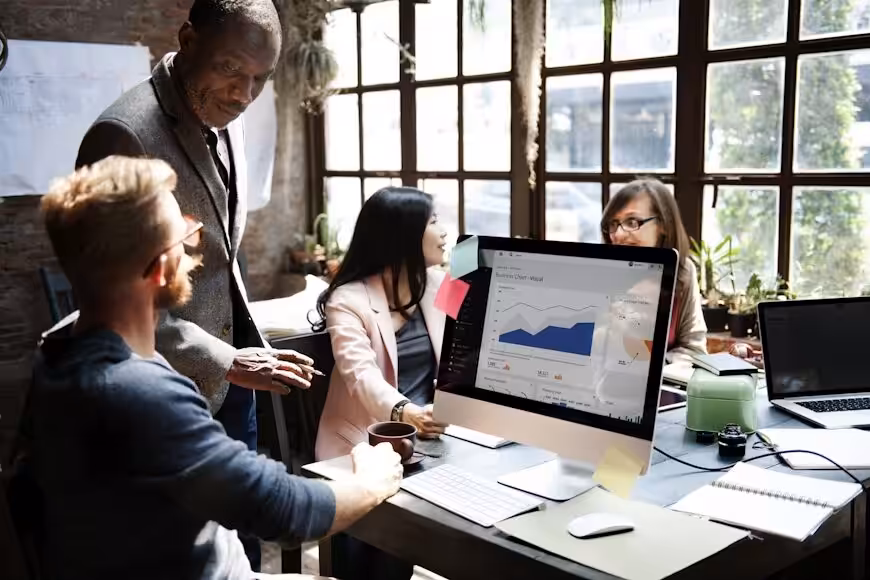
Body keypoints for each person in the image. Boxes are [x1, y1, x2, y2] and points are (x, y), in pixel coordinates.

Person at [26, 156, 404, 580]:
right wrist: (372, 481)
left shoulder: (56, 351)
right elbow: (285, 510)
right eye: (185, 235)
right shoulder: (140, 393)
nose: (194, 247)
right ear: (162, 266)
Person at [75, 1, 292, 567]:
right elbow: (113, 297)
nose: (244, 95)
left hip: (233, 382)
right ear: (188, 39)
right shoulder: (122, 134)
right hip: (164, 390)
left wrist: (246, 351)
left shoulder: (226, 114)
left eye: (260, 80)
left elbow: (223, 255)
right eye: (231, 69)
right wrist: (222, 357)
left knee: (239, 540)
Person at [312, 187, 450, 580]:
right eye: (434, 222)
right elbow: (360, 375)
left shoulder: (442, 284)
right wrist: (407, 412)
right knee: (374, 562)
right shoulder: (348, 299)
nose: (444, 232)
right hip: (361, 445)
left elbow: (474, 341)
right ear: (403, 234)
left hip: (435, 443)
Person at [601, 179, 708, 364]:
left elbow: (694, 349)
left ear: (663, 226)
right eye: (614, 224)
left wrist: (655, 366)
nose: (617, 235)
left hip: (660, 388)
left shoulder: (683, 271)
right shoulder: (600, 270)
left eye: (632, 221)